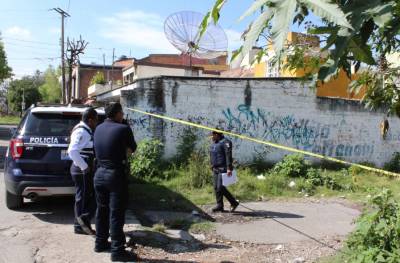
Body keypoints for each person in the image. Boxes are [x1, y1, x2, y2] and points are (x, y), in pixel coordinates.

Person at [93, 102, 137, 262]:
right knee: (116, 213)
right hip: (115, 175)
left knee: (101, 210)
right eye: (122, 113)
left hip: (98, 174)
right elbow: (132, 150)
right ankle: (117, 250)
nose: (123, 115)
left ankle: (100, 243)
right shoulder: (123, 128)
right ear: (118, 114)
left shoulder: (97, 128)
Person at [67, 107, 98, 235]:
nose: (96, 123)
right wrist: (85, 167)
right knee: (83, 198)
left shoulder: (85, 130)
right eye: (96, 120)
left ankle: (81, 224)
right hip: (81, 170)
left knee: (85, 197)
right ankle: (80, 226)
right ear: (90, 120)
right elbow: (72, 151)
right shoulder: (82, 132)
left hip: (82, 169)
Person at [210, 129, 239, 213]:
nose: (211, 137)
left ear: (217, 134)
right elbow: (212, 155)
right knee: (216, 188)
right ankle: (220, 205)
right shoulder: (215, 144)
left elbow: (228, 155)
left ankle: (234, 202)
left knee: (220, 187)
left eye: (213, 135)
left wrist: (229, 168)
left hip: (223, 169)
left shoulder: (226, 142)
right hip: (215, 168)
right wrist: (211, 164)